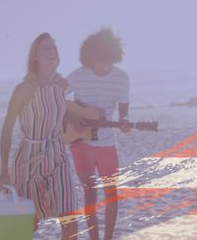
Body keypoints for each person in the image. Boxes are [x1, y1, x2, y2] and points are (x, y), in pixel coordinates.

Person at [0, 33, 89, 240]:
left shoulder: (61, 86)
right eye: (46, 48)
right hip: (29, 161)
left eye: (54, 48)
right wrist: (4, 171)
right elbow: (6, 130)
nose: (52, 52)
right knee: (27, 224)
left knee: (70, 219)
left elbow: (60, 118)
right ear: (35, 57)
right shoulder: (24, 89)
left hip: (58, 158)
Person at [65, 28, 130, 240]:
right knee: (90, 193)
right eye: (97, 61)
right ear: (88, 58)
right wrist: (73, 118)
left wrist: (124, 122)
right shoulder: (78, 75)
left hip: (107, 145)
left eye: (107, 60)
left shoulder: (121, 78)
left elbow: (124, 112)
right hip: (80, 145)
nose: (102, 66)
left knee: (111, 195)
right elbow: (53, 98)